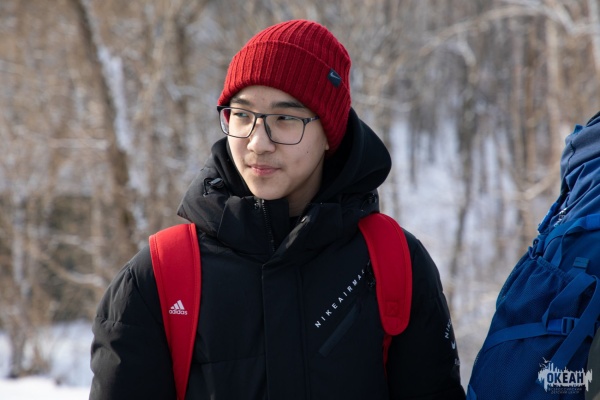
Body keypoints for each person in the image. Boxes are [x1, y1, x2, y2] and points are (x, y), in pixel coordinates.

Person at [89, 19, 465, 400]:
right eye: (242, 115)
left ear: (329, 135)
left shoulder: (394, 263)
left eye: (285, 119)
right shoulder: (160, 276)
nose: (258, 142)